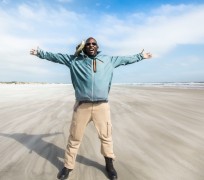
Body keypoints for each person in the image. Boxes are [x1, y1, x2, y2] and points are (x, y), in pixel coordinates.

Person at [30, 37, 152, 180]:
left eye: (94, 44)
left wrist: (141, 56)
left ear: (97, 46)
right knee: (74, 138)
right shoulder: (74, 60)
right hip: (82, 106)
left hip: (102, 106)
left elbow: (126, 59)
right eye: (88, 44)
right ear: (84, 47)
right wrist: (39, 53)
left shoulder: (109, 60)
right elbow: (55, 57)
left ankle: (109, 165)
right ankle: (68, 166)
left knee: (106, 137)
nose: (91, 46)